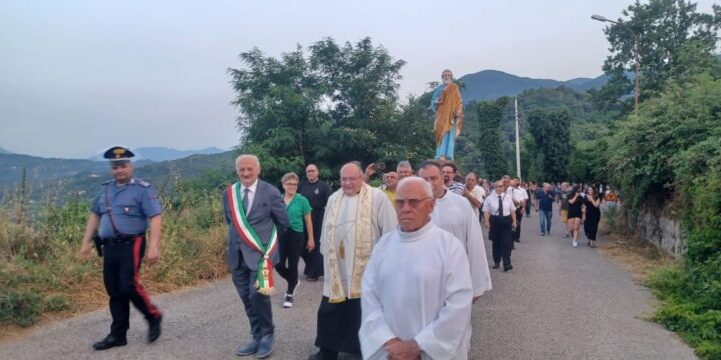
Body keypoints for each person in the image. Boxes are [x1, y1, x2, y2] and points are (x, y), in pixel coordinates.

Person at [359, 177, 473, 360]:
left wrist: (419, 346)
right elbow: (369, 296)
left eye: (413, 202)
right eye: (400, 202)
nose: (405, 209)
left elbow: (458, 304)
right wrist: (388, 341)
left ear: (431, 205)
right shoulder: (383, 245)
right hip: (389, 352)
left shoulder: (449, 247)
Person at [79, 146, 163, 351]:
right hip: (109, 247)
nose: (119, 170)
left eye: (123, 166)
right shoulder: (106, 189)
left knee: (128, 285)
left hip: (132, 243)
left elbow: (155, 216)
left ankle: (153, 316)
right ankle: (118, 335)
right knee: (114, 290)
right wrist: (85, 242)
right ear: (111, 168)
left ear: (130, 166)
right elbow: (95, 215)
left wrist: (153, 246)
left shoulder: (142, 189)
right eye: (115, 167)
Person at [311, 162, 397, 360]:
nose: (347, 183)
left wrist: (387, 263)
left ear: (361, 178)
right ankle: (328, 350)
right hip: (338, 268)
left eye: (352, 178)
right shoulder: (333, 198)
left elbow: (390, 232)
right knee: (331, 308)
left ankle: (361, 350)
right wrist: (325, 252)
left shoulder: (377, 197)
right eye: (343, 179)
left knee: (362, 311)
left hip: (366, 268)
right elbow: (325, 229)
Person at [223, 154, 289, 358]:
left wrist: (269, 248)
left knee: (257, 296)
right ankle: (256, 336)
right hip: (237, 256)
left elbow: (283, 222)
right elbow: (229, 220)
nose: (246, 173)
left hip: (261, 256)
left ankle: (267, 335)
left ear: (258, 170)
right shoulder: (229, 194)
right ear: (237, 171)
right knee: (246, 297)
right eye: (242, 169)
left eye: (250, 169)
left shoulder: (270, 192)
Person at [418, 161, 492, 302]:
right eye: (424, 179)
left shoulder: (461, 204)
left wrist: (477, 285)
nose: (429, 183)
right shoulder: (413, 207)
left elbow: (474, 243)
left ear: (442, 178)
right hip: (424, 280)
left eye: (433, 178)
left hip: (456, 277)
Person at [276, 172, 314, 308]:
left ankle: (289, 294)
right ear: (283, 185)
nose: (292, 186)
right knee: (278, 264)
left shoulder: (302, 200)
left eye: (294, 184)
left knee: (293, 264)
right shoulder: (278, 200)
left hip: (296, 235)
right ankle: (293, 280)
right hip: (281, 236)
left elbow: (308, 221)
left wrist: (311, 239)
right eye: (289, 184)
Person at [298, 164, 331, 281]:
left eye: (312, 171)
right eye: (308, 171)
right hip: (302, 218)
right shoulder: (302, 186)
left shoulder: (323, 186)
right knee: (301, 245)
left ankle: (314, 273)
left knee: (315, 245)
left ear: (317, 172)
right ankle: (312, 267)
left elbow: (330, 204)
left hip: (318, 218)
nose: (310, 173)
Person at [483, 180, 517, 272]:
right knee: (496, 242)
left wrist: (514, 221)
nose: (503, 187)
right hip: (495, 221)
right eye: (500, 186)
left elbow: (512, 210)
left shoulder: (508, 197)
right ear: (495, 187)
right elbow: (486, 211)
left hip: (506, 220)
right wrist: (487, 222)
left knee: (506, 243)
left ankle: (507, 264)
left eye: (503, 186)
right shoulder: (489, 198)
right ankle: (497, 261)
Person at [431, 69, 464, 161]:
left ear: (451, 77)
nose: (446, 77)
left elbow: (459, 101)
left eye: (448, 75)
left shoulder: (454, 88)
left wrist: (458, 111)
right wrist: (436, 102)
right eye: (445, 75)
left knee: (449, 134)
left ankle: (448, 155)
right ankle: (440, 154)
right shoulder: (439, 89)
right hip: (441, 115)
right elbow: (433, 101)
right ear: (442, 77)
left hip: (451, 116)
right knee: (440, 133)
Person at [506, 177, 528, 244]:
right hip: (510, 209)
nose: (516, 182)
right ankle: (511, 240)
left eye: (517, 181)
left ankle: (516, 237)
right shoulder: (509, 189)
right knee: (513, 223)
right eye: (514, 181)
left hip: (518, 208)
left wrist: (523, 207)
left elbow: (524, 199)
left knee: (518, 223)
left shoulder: (521, 190)